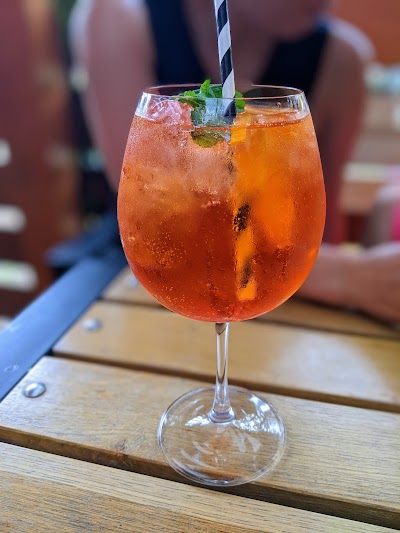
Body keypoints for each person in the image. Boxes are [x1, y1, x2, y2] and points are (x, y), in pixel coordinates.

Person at [69, 0, 400, 323]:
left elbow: (316, 223)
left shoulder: (341, 58)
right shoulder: (117, 18)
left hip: (274, 298)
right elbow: (145, 200)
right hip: (137, 275)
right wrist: (347, 277)